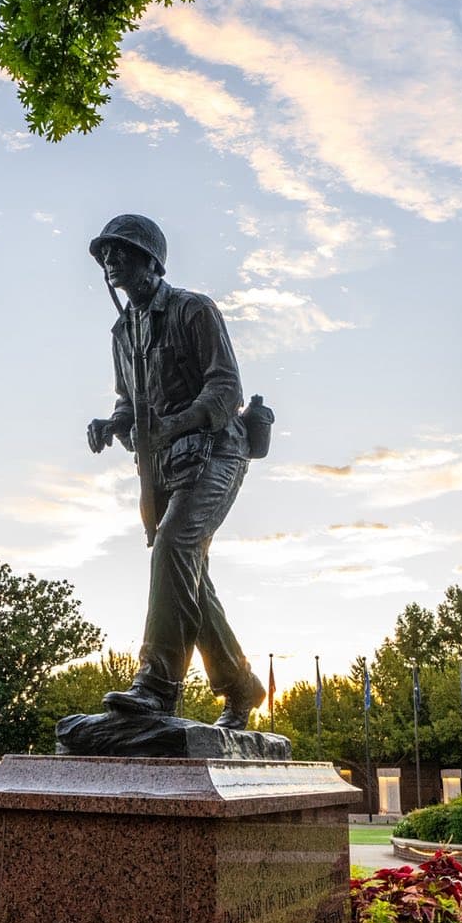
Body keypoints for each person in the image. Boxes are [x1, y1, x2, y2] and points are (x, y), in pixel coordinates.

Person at [85, 213, 267, 730]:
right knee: (185, 572)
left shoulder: (193, 310)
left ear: (151, 260)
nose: (111, 261)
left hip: (217, 451)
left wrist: (172, 424)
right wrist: (111, 423)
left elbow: (226, 388)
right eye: (106, 255)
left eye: (121, 251)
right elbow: (130, 401)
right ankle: (240, 685)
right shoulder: (122, 332)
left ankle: (158, 684)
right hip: (163, 467)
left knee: (174, 548)